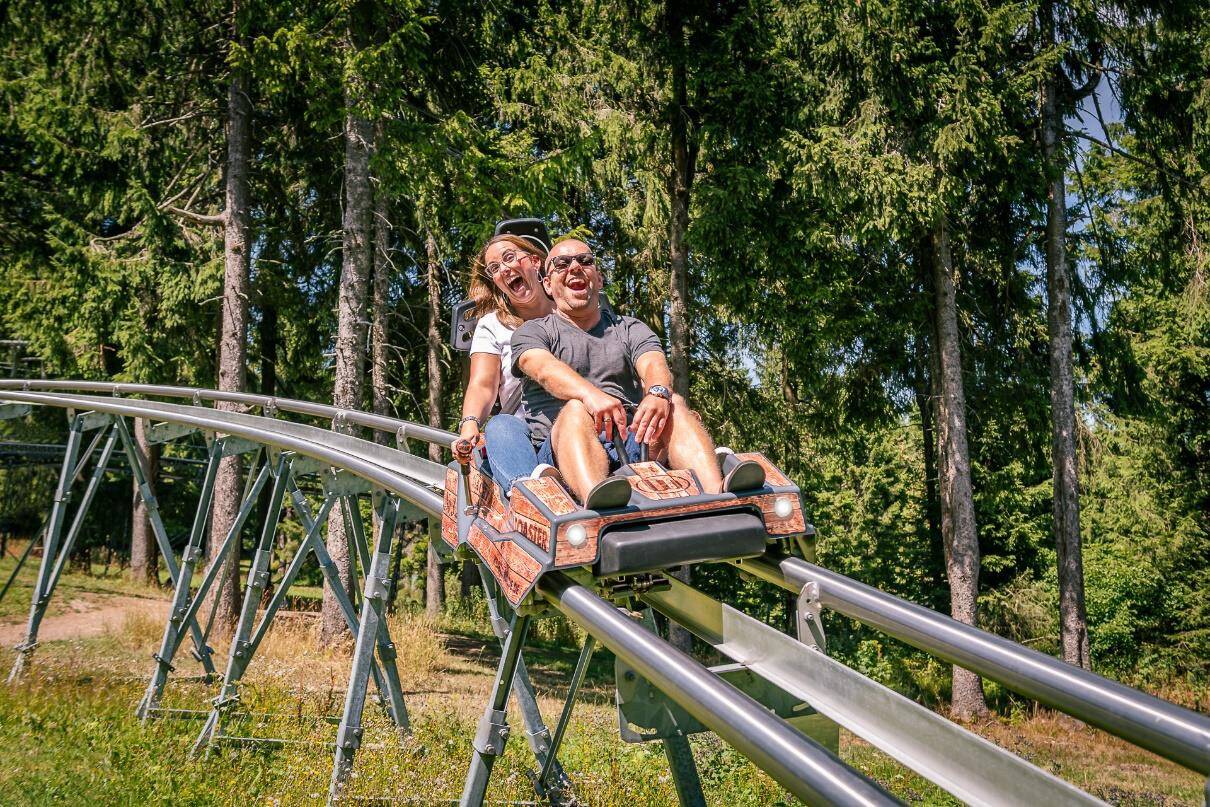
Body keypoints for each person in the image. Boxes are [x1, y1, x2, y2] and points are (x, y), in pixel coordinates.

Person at [511, 237, 764, 509]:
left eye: (585, 261)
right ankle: (597, 502)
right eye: (561, 264)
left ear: (599, 278)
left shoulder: (629, 328)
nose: (574, 268)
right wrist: (590, 396)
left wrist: (657, 393)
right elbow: (542, 368)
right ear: (548, 284)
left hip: (632, 445)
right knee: (575, 409)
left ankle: (719, 497)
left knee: (673, 403)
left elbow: (654, 363)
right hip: (564, 454)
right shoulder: (533, 331)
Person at [453, 233, 558, 494]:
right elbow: (483, 384)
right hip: (527, 439)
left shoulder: (568, 311)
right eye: (495, 268)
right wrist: (469, 423)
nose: (504, 269)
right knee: (501, 425)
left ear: (535, 261)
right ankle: (529, 495)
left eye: (509, 257)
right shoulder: (493, 325)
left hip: (573, 428)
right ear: (496, 282)